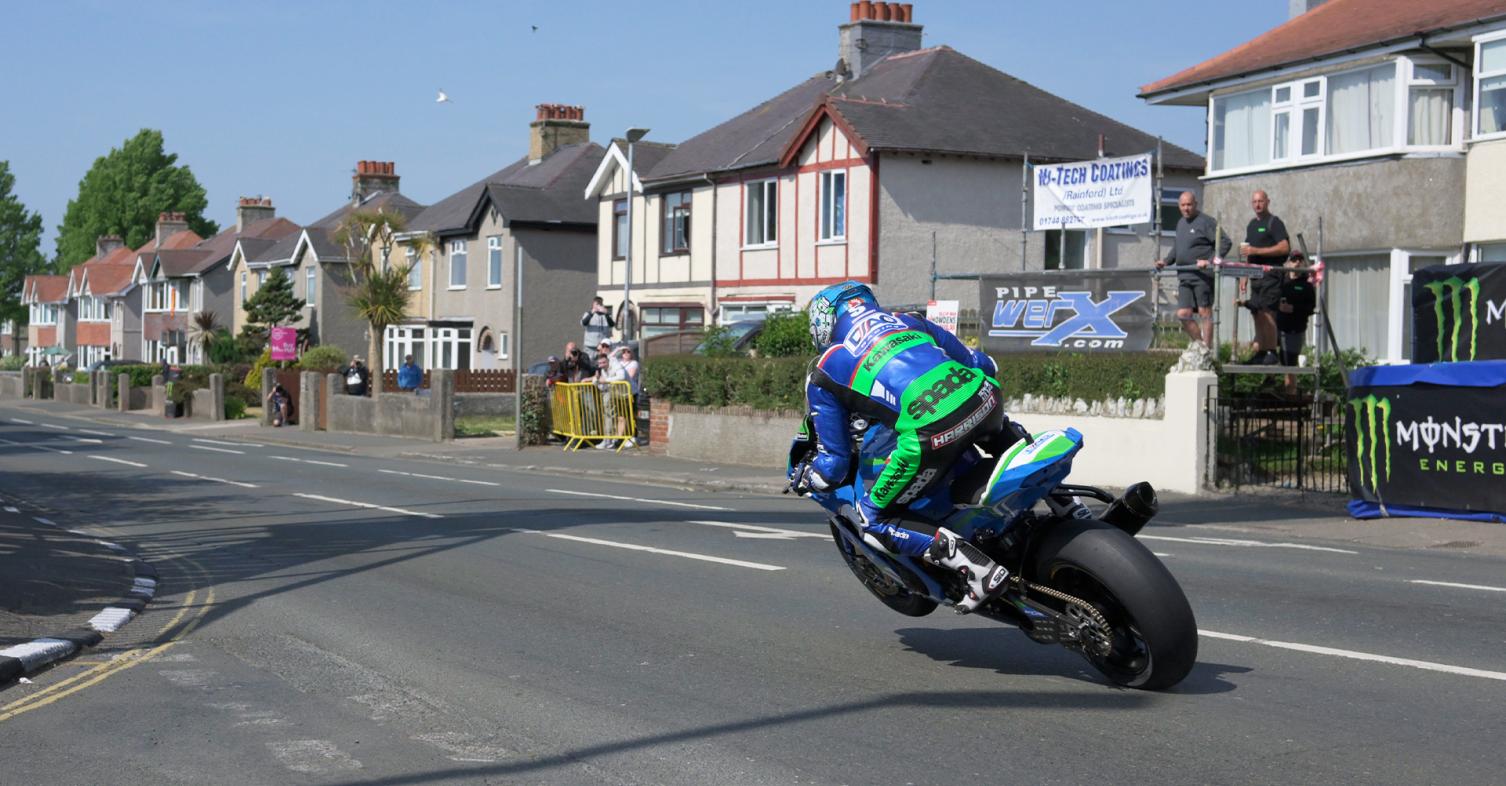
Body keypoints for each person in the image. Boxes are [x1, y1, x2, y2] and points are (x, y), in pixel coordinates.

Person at [788, 281, 1013, 613]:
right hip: (986, 400)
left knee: (872, 519)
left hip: (929, 433)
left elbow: (834, 463)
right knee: (1011, 443)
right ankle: (1069, 506)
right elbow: (982, 364)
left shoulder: (825, 368)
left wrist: (811, 477)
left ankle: (975, 567)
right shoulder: (909, 320)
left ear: (823, 323)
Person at [1156, 191, 1231, 348]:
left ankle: (1207, 351)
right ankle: (1200, 346)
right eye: (1183, 205)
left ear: (1195, 204)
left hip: (1202, 276)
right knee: (1183, 314)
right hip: (1184, 276)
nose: (1186, 208)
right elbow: (1178, 248)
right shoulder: (1181, 223)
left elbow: (1225, 242)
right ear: (1179, 206)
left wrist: (1209, 261)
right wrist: (1166, 261)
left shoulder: (1206, 222)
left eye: (1189, 204)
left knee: (1205, 313)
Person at [1237, 190, 1291, 364]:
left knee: (1268, 312)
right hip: (1255, 275)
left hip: (1271, 274)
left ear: (1268, 202)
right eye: (1254, 202)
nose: (1257, 205)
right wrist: (1245, 274)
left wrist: (1257, 251)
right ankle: (1261, 351)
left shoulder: (1274, 223)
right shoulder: (1252, 225)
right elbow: (1248, 252)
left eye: (1261, 201)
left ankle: (1271, 351)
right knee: (1256, 311)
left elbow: (1284, 247)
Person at [1276, 251, 1317, 370]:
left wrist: (1294, 309)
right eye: (1294, 260)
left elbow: (1312, 308)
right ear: (1288, 263)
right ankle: (1270, 382)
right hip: (1278, 327)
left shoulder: (1306, 285)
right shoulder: (1281, 281)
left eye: (1300, 260)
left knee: (1290, 365)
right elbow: (1270, 297)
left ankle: (1290, 388)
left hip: (1295, 330)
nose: (1297, 262)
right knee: (1266, 352)